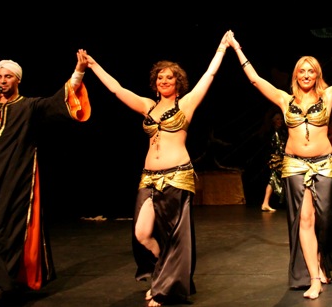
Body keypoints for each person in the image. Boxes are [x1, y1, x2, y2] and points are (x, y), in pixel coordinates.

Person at [225, 31, 332, 300]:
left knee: (326, 218)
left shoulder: (328, 96)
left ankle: (323, 259)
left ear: (317, 75)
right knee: (305, 218)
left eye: (311, 71)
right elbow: (255, 79)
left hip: (323, 164)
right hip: (294, 165)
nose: (306, 75)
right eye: (302, 71)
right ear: (295, 75)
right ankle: (313, 277)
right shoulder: (284, 99)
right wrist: (236, 47)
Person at [81, 30, 232, 307]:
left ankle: (164, 287)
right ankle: (163, 274)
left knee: (174, 235)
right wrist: (93, 65)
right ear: (155, 82)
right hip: (148, 178)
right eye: (160, 77)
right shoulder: (148, 106)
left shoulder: (186, 104)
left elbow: (209, 75)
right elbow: (117, 89)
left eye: (169, 77)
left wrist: (222, 48)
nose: (164, 81)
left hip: (177, 175)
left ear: (178, 82)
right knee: (142, 233)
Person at [0, 53, 92, 307]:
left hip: (16, 181)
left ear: (18, 80)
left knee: (3, 234)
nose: (2, 81)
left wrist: (78, 72)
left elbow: (57, 102)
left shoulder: (29, 107)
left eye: (7, 76)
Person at [261, 109, 288, 212]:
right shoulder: (272, 133)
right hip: (277, 160)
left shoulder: (282, 132)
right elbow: (277, 147)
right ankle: (265, 203)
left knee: (276, 179)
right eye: (277, 119)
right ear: (273, 121)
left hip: (281, 159)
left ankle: (266, 202)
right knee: (273, 179)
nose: (280, 121)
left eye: (281, 119)